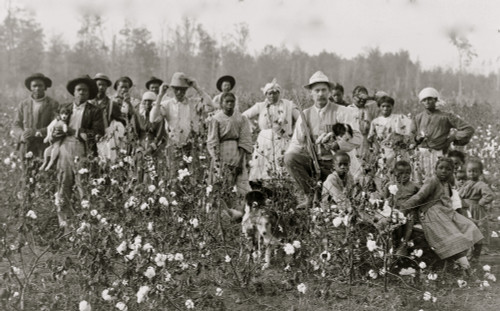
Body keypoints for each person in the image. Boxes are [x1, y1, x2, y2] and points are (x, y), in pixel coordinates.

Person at [284, 71, 362, 209]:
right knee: (290, 158)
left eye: (324, 90)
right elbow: (296, 143)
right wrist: (287, 159)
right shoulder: (305, 115)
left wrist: (338, 145)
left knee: (342, 201)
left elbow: (357, 138)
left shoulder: (342, 111)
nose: (320, 94)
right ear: (311, 93)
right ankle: (310, 194)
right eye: (317, 90)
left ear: (329, 92)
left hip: (337, 165)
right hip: (315, 164)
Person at [402, 158, 483, 271]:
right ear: (435, 169)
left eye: (448, 169)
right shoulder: (433, 181)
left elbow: (450, 203)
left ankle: (474, 262)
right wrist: (403, 209)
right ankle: (467, 270)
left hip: (446, 213)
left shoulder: (446, 184)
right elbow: (419, 197)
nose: (444, 171)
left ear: (452, 172)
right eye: (441, 168)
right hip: (433, 215)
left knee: (472, 228)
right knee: (454, 238)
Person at [55, 75, 104, 227]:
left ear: (89, 94)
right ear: (74, 92)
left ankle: (86, 224)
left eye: (85, 90)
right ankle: (64, 223)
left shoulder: (94, 111)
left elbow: (97, 133)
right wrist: (57, 132)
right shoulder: (65, 108)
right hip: (64, 148)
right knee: (63, 183)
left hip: (82, 149)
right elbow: (56, 126)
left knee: (83, 185)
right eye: (79, 90)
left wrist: (75, 132)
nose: (82, 93)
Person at [411, 87, 474, 181]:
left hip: (438, 153)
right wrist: (416, 139)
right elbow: (411, 136)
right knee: (419, 181)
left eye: (430, 99)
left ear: (435, 100)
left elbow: (468, 129)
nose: (427, 102)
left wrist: (452, 138)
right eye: (424, 100)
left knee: (437, 181)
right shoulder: (418, 117)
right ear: (421, 102)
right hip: (421, 154)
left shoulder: (446, 116)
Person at [242, 79, 299, 181]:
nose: (272, 96)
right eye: (269, 93)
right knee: (264, 166)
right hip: (265, 140)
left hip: (282, 139)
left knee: (281, 163)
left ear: (279, 93)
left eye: (275, 93)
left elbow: (301, 119)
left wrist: (294, 131)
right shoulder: (261, 106)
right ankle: (264, 185)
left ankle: (282, 186)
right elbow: (244, 116)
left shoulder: (288, 105)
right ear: (266, 95)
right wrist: (251, 126)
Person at [207, 92, 252, 196]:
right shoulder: (216, 119)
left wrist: (240, 161)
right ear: (222, 103)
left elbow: (244, 140)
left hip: (236, 152)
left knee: (239, 182)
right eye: (227, 101)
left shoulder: (241, 118)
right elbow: (213, 140)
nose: (230, 104)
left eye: (232, 102)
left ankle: (239, 208)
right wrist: (217, 160)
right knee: (221, 181)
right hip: (222, 152)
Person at [12, 73, 59, 162]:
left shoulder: (53, 104)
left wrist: (38, 132)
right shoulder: (23, 104)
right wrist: (21, 135)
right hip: (26, 144)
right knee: (26, 172)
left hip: (44, 144)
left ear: (45, 87)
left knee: (43, 171)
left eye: (40, 85)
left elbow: (55, 125)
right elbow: (16, 124)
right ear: (30, 88)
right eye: (34, 86)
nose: (37, 88)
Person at [459, 158, 495, 262]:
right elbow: (459, 194)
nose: (472, 173)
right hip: (465, 209)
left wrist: (481, 202)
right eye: (469, 171)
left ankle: (476, 254)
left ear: (480, 172)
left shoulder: (481, 185)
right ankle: (467, 253)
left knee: (478, 230)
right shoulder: (466, 183)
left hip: (476, 210)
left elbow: (490, 195)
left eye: (475, 171)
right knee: (466, 230)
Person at [382, 160, 420, 256]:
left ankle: (404, 243)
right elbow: (385, 197)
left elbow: (422, 196)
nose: (404, 176)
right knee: (396, 219)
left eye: (407, 173)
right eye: (400, 173)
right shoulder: (390, 185)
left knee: (409, 219)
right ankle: (398, 242)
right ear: (395, 173)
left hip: (409, 211)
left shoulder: (413, 186)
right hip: (396, 210)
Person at [368, 96, 412, 174]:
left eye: (388, 106)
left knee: (399, 172)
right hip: (384, 152)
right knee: (384, 173)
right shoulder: (376, 121)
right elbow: (371, 138)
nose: (386, 108)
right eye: (383, 106)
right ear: (379, 107)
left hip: (398, 152)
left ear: (392, 107)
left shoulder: (399, 118)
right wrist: (376, 150)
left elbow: (409, 129)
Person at [133, 91, 166, 182]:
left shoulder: (159, 117)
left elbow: (160, 134)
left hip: (154, 144)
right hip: (141, 143)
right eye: (146, 101)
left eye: (150, 101)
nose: (148, 104)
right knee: (139, 167)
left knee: (152, 170)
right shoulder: (138, 114)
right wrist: (139, 146)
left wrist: (152, 147)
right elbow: (135, 132)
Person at [40, 106, 72, 171]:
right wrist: (48, 136)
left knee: (54, 152)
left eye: (66, 114)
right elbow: (49, 127)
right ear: (59, 114)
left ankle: (49, 165)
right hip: (52, 138)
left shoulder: (66, 123)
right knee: (46, 151)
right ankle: (45, 162)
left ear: (68, 115)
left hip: (58, 141)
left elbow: (65, 129)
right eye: (62, 114)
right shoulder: (56, 120)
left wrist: (65, 128)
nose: (64, 116)